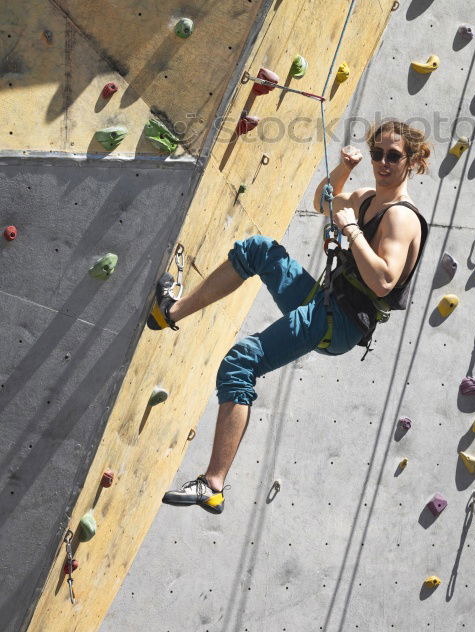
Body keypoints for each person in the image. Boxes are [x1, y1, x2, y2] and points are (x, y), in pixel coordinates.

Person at [147, 119, 430, 515]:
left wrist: (352, 233)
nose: (383, 162)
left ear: (413, 161)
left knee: (240, 362)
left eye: (394, 156)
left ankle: (212, 485)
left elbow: (384, 280)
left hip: (339, 320)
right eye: (378, 153)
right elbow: (324, 203)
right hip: (326, 300)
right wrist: (344, 171)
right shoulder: (367, 198)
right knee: (258, 250)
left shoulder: (401, 218)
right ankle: (169, 312)